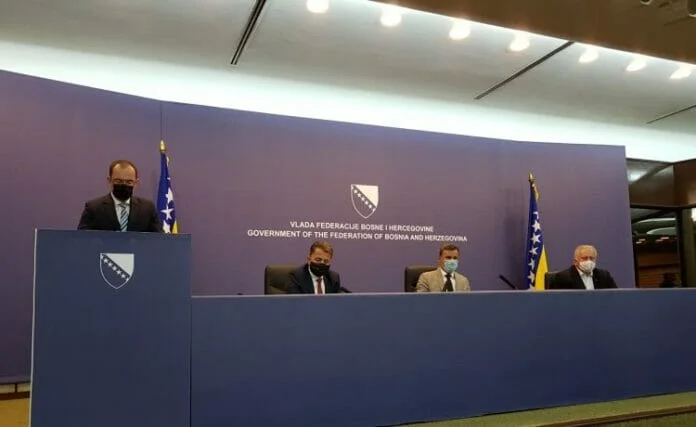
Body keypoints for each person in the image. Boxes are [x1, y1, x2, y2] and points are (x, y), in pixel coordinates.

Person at [78, 159, 163, 232]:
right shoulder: (94, 208)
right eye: (118, 181)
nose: (123, 185)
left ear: (136, 183)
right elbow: (82, 239)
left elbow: (159, 239)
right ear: (109, 181)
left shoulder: (148, 209)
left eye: (129, 182)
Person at [547, 244, 617, 290]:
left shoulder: (604, 276)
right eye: (584, 258)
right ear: (575, 261)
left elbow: (615, 296)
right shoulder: (563, 278)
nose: (589, 261)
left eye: (591, 258)